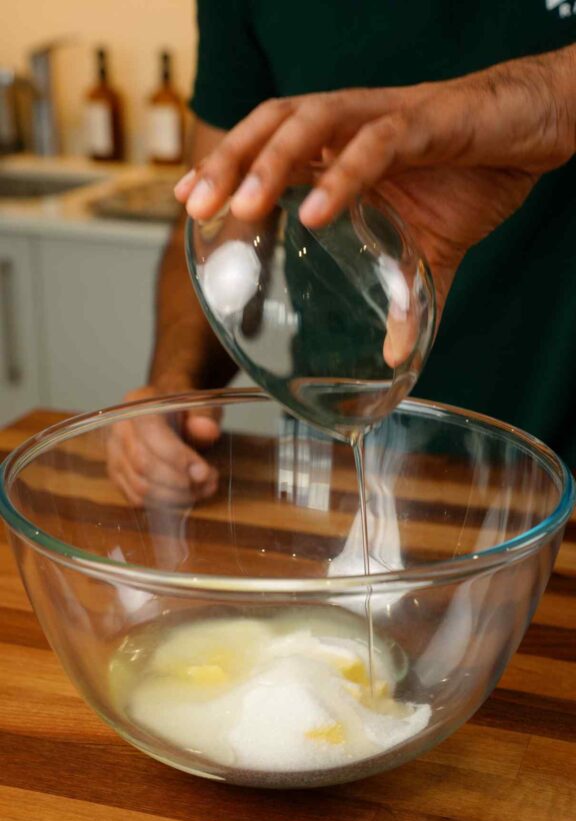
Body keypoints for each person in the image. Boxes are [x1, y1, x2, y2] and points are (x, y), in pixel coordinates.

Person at [108, 2, 576, 505]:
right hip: (332, 458)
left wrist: (549, 99)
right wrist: (175, 386)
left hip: (558, 455)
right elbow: (223, 208)